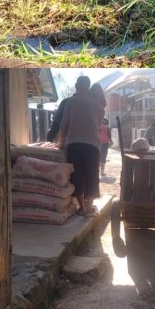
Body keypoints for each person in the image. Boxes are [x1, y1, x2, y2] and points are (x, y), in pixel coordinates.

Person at [57, 77, 105, 217]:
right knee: (91, 175)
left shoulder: (72, 101)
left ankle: (81, 208)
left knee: (77, 174)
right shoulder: (99, 107)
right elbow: (96, 126)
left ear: (77, 85)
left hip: (74, 143)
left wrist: (60, 141)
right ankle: (89, 208)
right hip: (93, 145)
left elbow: (64, 124)